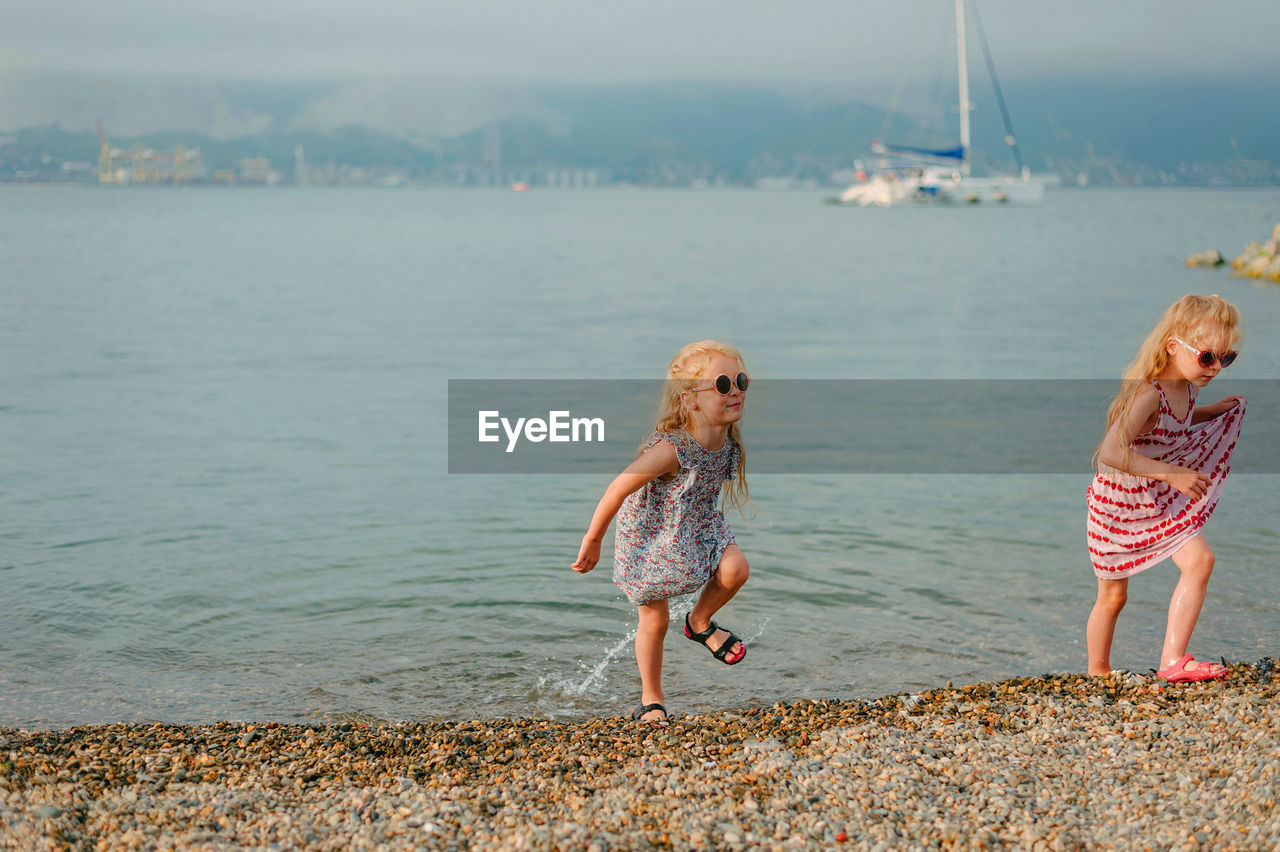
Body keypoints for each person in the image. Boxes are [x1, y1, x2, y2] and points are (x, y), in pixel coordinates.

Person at [571, 341, 752, 726]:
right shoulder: (671, 449)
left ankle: (699, 622)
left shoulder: (727, 441)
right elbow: (620, 486)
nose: (734, 389)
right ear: (690, 400)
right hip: (651, 534)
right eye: (721, 384)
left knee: (736, 569)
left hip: (699, 522)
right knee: (654, 620)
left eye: (740, 380)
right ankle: (651, 699)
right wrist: (594, 538)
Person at [1086, 294, 1246, 682]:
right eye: (1207, 357)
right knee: (1113, 596)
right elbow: (1111, 451)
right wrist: (1174, 475)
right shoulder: (1148, 394)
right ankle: (1098, 670)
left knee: (1200, 561)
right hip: (1119, 504)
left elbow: (1175, 423)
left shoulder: (1188, 388)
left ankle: (1173, 662)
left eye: (1226, 359)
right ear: (1173, 346)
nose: (1215, 368)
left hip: (1155, 497)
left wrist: (1212, 412)